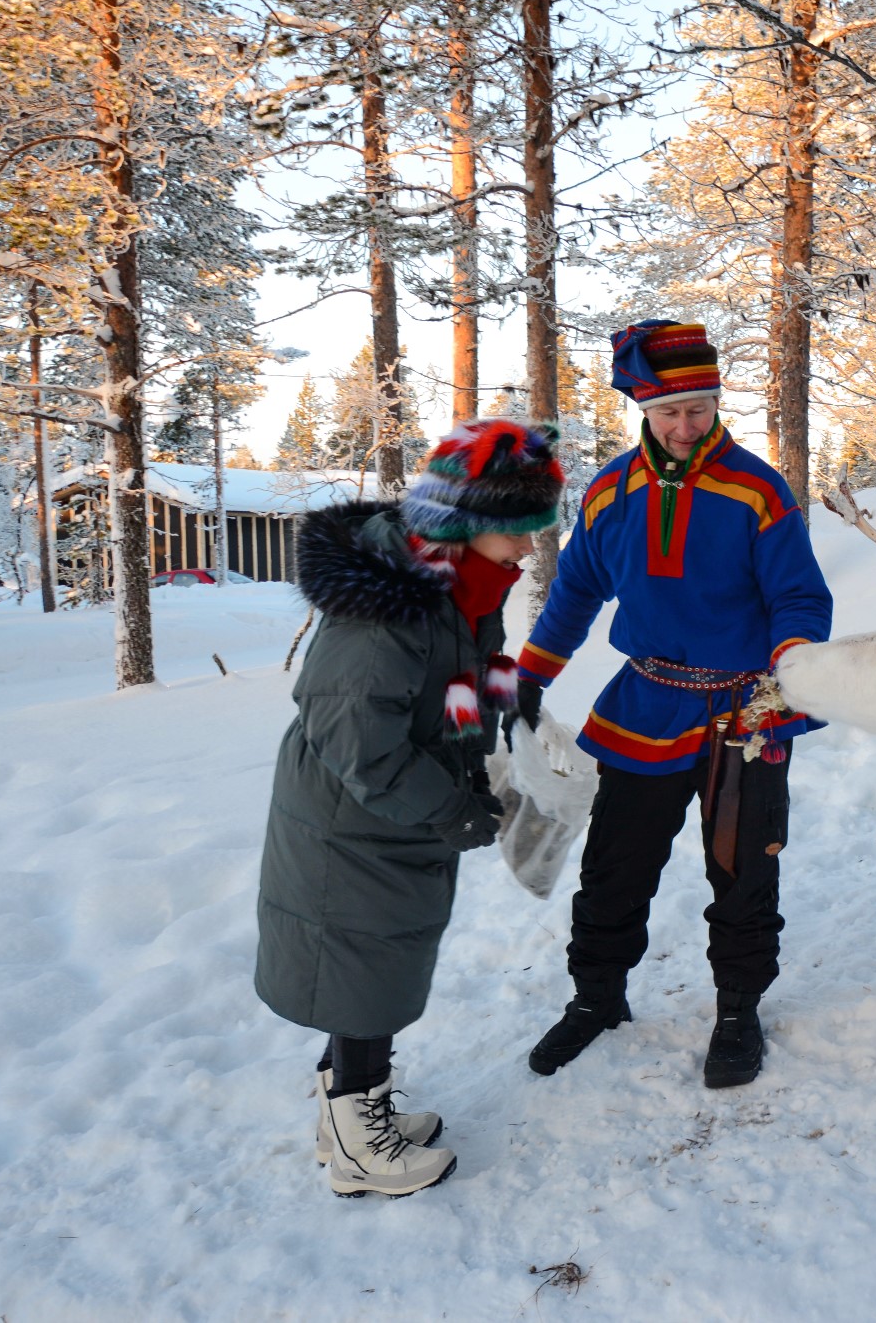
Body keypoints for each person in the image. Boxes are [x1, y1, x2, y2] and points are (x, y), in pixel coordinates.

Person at [515, 319, 832, 1089]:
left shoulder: (757, 490)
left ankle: (736, 1009)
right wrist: (531, 675)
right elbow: (576, 591)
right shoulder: (611, 491)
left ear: (717, 401)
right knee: (615, 866)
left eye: (698, 408)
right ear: (644, 411)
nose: (685, 426)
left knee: (742, 870)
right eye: (668, 413)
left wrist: (791, 664)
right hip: (646, 704)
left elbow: (798, 597)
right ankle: (596, 998)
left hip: (744, 714)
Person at [254, 419, 565, 1198]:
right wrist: (448, 807)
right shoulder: (390, 603)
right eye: (517, 533)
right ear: (465, 520)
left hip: (392, 814)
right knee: (363, 971)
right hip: (353, 819)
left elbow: (461, 675)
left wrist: (508, 712)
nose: (528, 551)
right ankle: (361, 1142)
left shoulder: (461, 583)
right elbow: (356, 739)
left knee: (379, 964)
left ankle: (348, 1111)